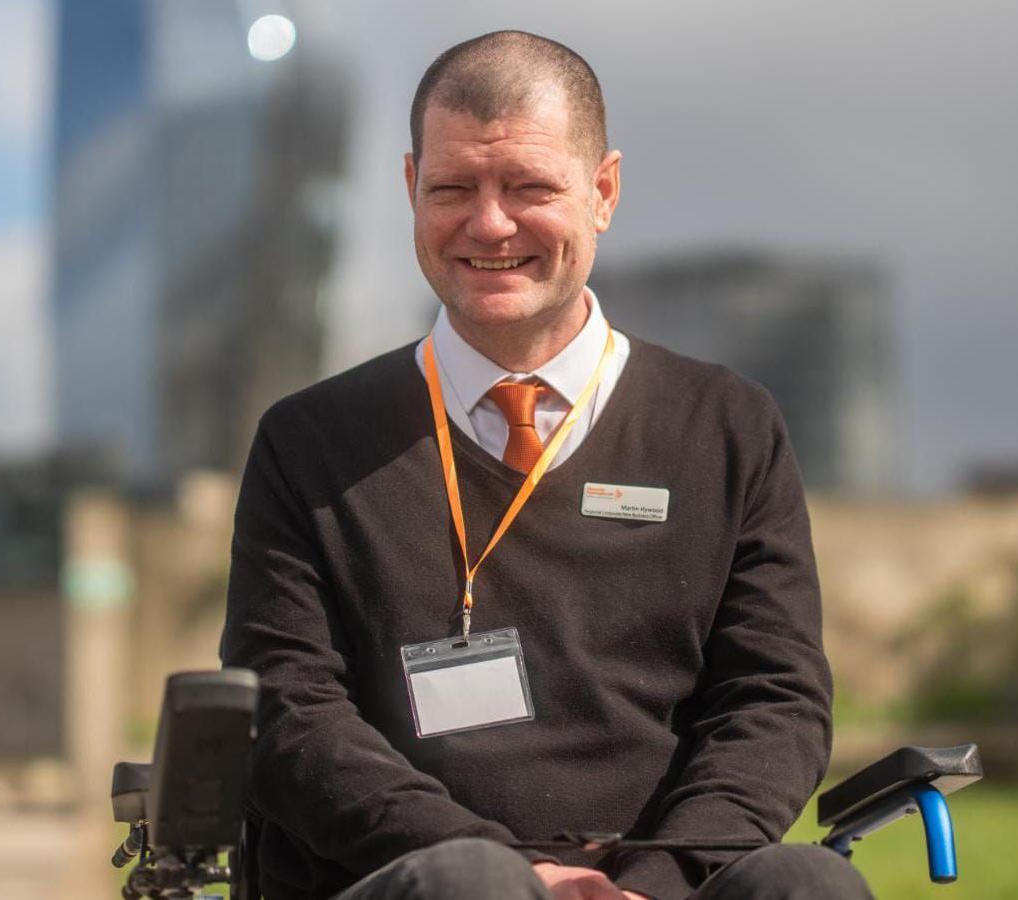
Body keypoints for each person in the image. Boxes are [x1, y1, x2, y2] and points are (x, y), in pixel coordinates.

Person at [221, 30, 872, 900]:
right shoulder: (309, 444)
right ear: (411, 189)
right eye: (454, 188)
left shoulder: (727, 428)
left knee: (810, 890)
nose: (490, 224)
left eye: (530, 187)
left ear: (603, 192)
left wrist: (657, 880)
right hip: (417, 878)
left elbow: (774, 702)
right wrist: (516, 876)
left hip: (665, 881)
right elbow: (290, 713)